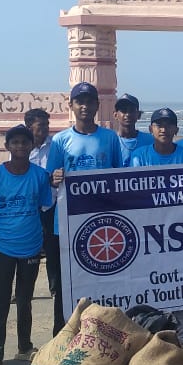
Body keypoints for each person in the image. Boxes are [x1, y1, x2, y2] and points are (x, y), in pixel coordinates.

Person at [47, 82, 124, 336]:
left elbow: (119, 177)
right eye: (79, 101)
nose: (85, 106)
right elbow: (50, 178)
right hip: (67, 222)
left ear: (97, 106)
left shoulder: (110, 138)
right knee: (67, 282)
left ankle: (100, 330)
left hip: (102, 222)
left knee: (101, 277)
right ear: (71, 105)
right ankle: (64, 332)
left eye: (90, 101)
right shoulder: (60, 141)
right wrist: (55, 178)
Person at [130, 107, 183, 348]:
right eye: (158, 124)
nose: (163, 129)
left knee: (179, 283)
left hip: (180, 234)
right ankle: (150, 333)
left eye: (168, 125)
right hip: (148, 233)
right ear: (151, 129)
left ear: (176, 129)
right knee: (148, 283)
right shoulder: (139, 157)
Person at [0, 125, 52, 365]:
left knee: (24, 299)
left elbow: (44, 207)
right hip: (2, 247)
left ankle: (24, 347)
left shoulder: (41, 176)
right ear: (7, 146)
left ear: (32, 146)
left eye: (25, 142)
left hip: (31, 246)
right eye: (15, 142)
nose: (20, 146)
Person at [24, 107, 60, 336]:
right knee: (31, 255)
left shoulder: (55, 145)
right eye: (40, 127)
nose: (45, 130)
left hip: (53, 207)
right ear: (30, 128)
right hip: (31, 210)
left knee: (55, 253)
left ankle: (55, 288)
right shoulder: (21, 148)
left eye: (46, 126)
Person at [113, 94, 152, 167]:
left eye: (132, 110)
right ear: (115, 115)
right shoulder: (111, 142)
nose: (128, 114)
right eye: (123, 110)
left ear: (139, 115)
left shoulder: (150, 141)